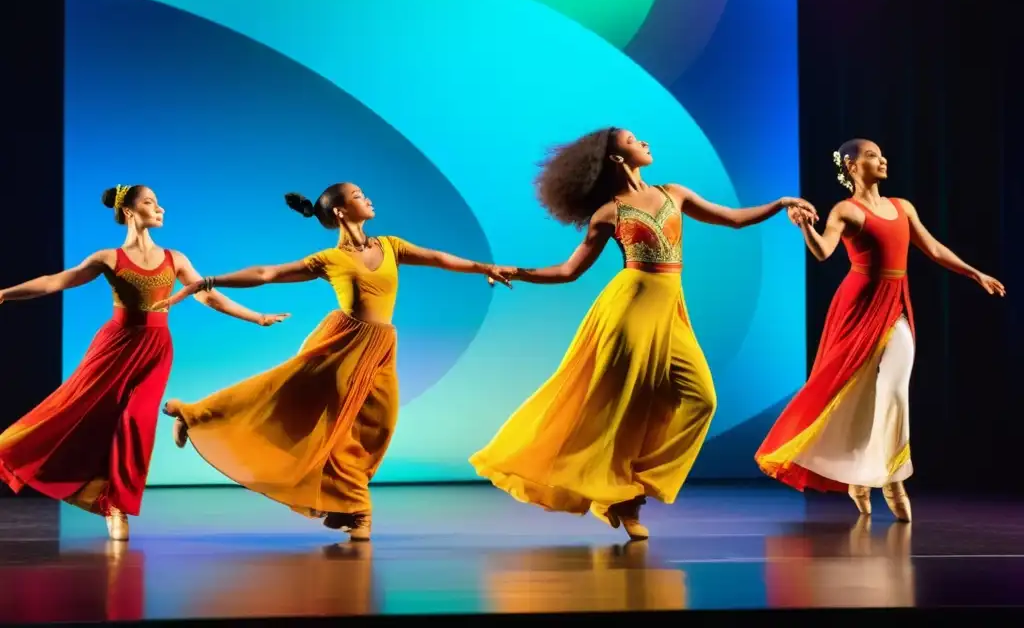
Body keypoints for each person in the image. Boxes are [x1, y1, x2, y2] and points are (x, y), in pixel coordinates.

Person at [469, 127, 816, 540]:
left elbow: (734, 220)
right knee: (620, 412)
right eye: (634, 140)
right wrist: (515, 272)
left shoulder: (674, 193)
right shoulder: (608, 213)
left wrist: (780, 203)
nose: (645, 142)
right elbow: (568, 271)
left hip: (670, 311)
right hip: (628, 313)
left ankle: (625, 486)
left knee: (702, 399)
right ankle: (624, 500)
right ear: (617, 158)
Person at [154, 182, 510, 542]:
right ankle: (198, 415)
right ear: (340, 211)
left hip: (382, 344)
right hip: (343, 343)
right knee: (310, 411)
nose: (368, 198)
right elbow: (267, 274)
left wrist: (484, 267)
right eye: (358, 196)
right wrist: (210, 281)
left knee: (377, 427)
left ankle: (342, 505)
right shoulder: (329, 259)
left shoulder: (391, 245)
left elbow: (438, 258)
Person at [0, 184, 288, 541]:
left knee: (136, 421)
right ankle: (16, 450)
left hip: (155, 349)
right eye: (151, 203)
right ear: (131, 211)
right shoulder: (107, 258)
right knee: (79, 409)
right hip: (115, 346)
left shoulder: (175, 259)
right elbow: (56, 281)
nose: (160, 208)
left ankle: (118, 505)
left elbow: (208, 296)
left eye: (159, 202)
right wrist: (3, 294)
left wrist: (256, 317)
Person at [756, 139, 1005, 521]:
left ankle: (890, 477)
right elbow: (823, 252)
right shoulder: (845, 210)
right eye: (872, 155)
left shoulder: (902, 207)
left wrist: (975, 273)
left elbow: (934, 249)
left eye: (881, 153)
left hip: (895, 303)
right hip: (856, 306)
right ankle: (859, 478)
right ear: (852, 166)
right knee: (849, 393)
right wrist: (806, 226)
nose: (882, 159)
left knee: (894, 392)